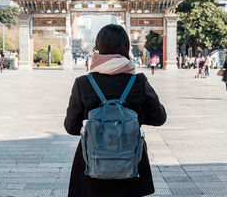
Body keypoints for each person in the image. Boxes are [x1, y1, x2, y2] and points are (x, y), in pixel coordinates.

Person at [64, 24, 166, 197]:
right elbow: (159, 118)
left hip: (92, 165)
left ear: (98, 48)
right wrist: (132, 118)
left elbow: (71, 127)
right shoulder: (138, 81)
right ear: (126, 48)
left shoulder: (83, 83)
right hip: (131, 164)